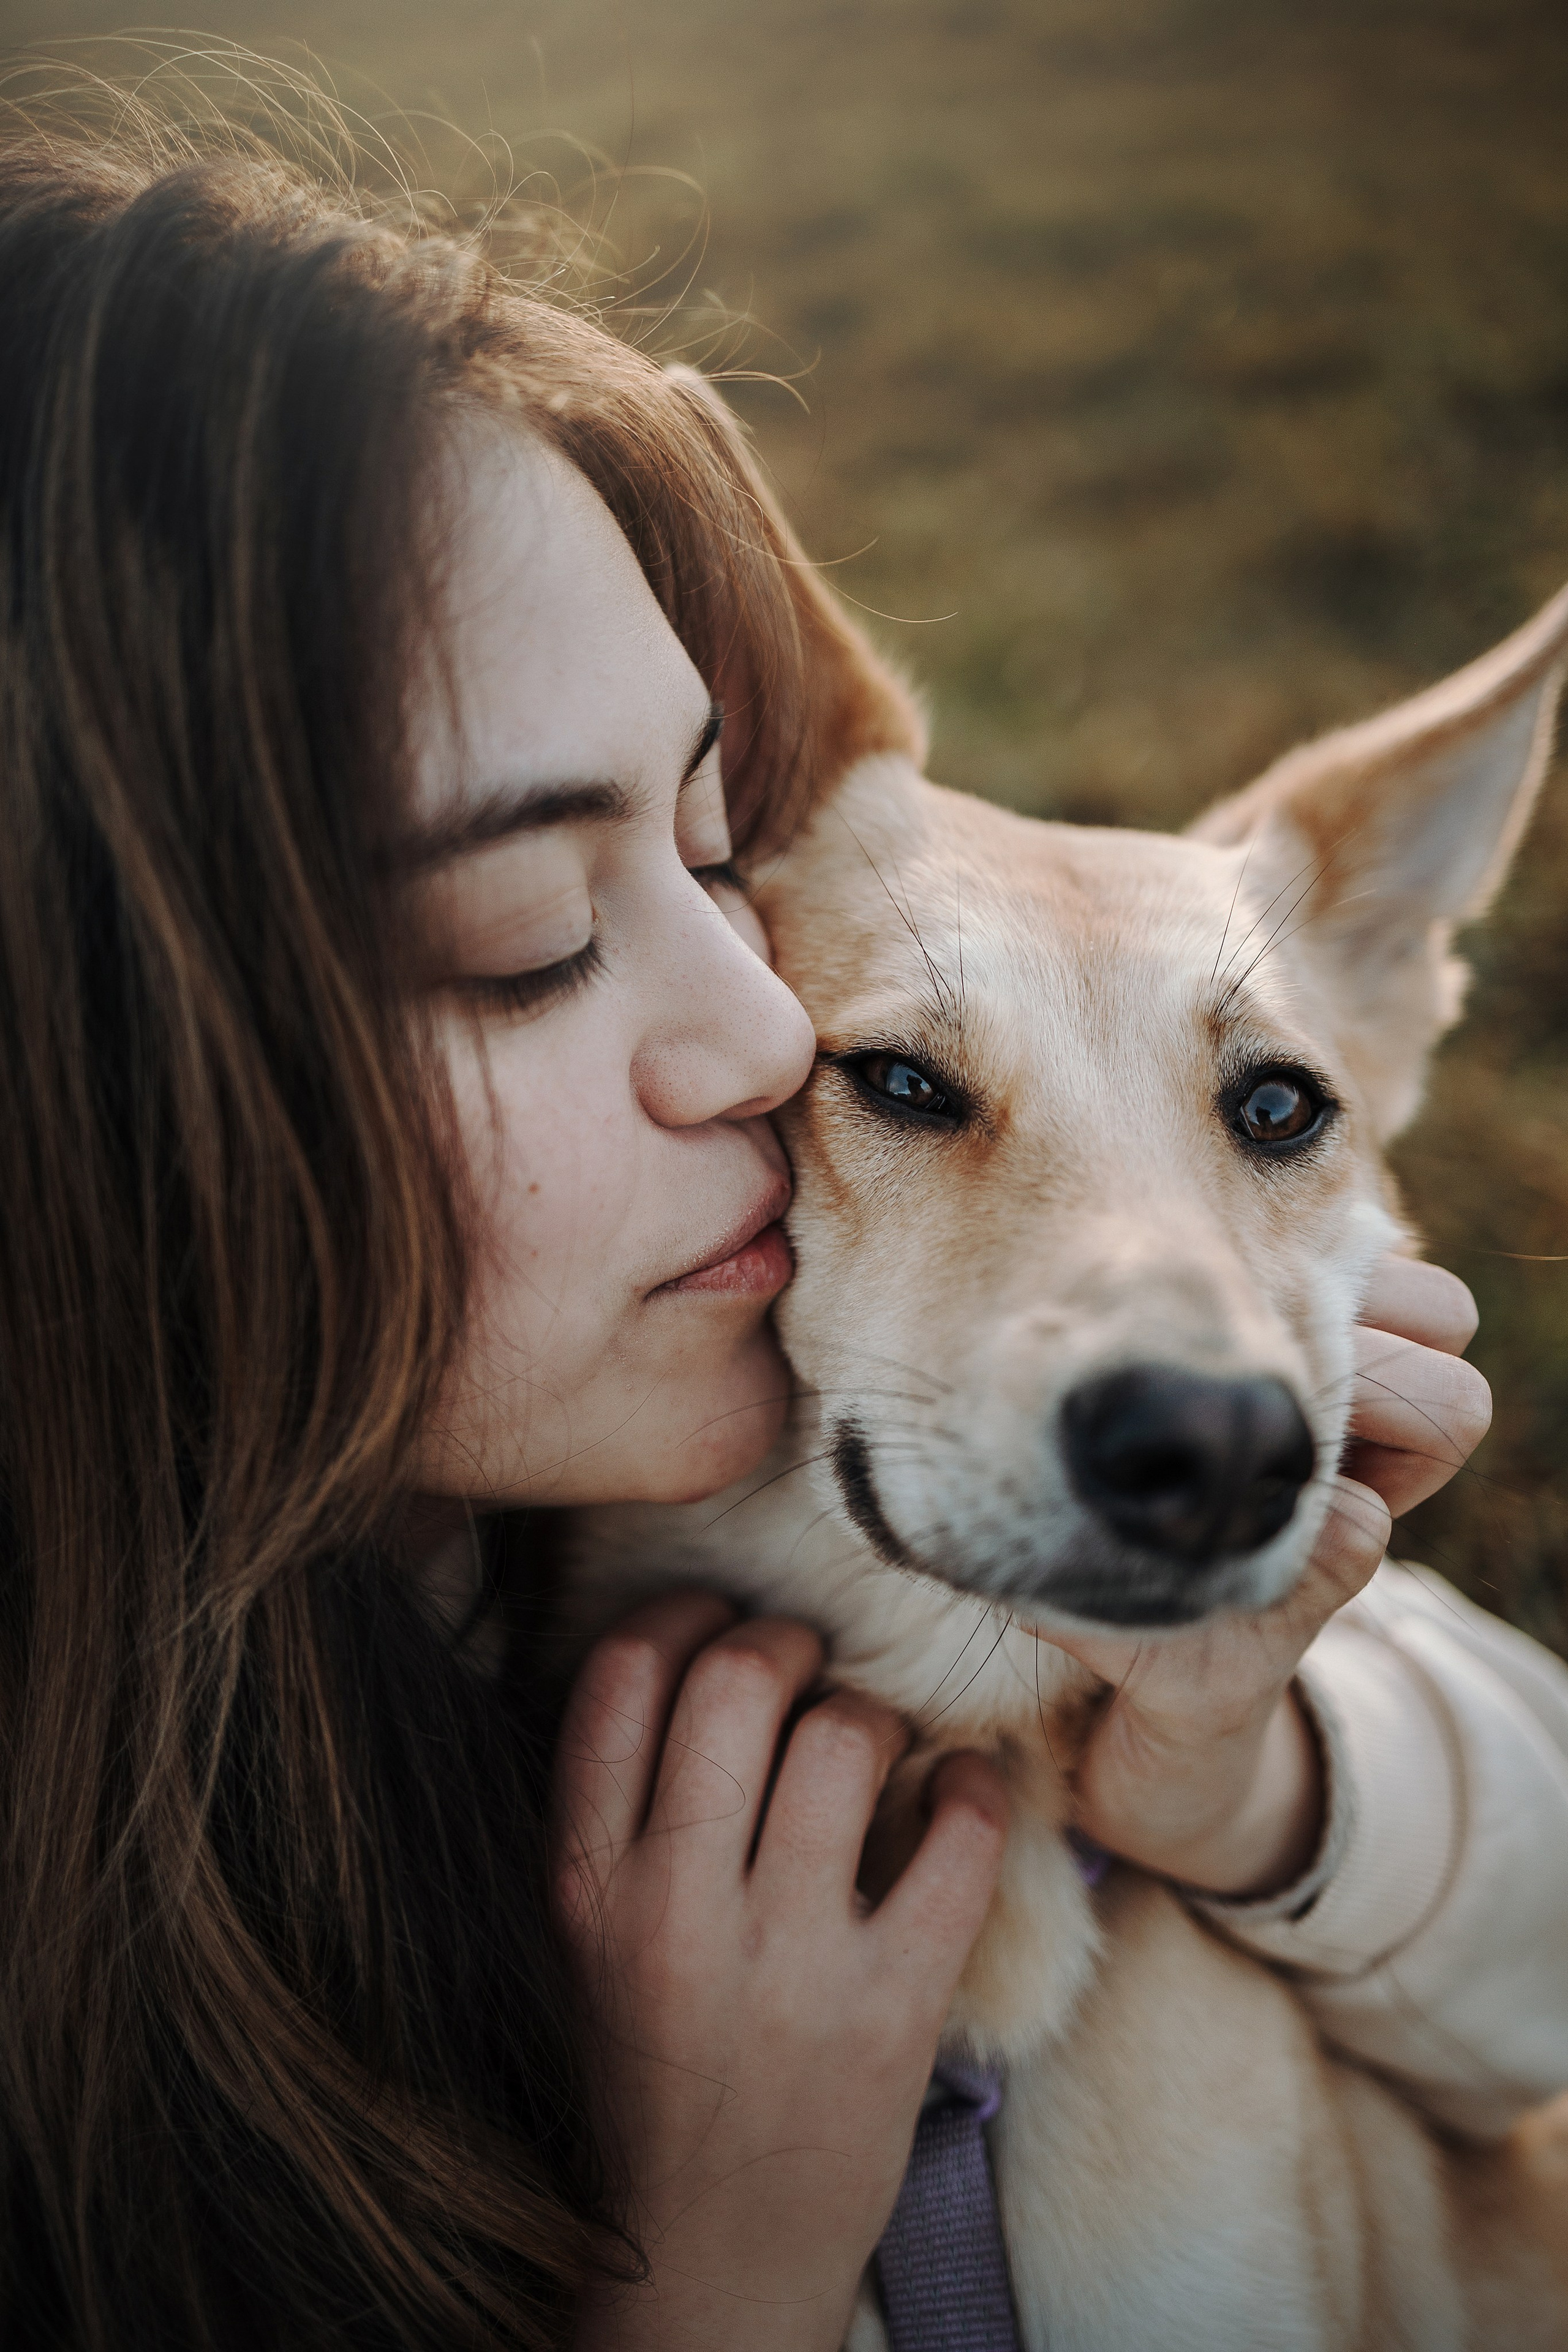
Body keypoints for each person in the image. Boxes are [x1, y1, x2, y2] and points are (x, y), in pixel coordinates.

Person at [0, 77, 1562, 2352]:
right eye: (538, 922)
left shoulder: (738, 1373)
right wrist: (711, 2278)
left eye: (715, 851)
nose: (762, 1040)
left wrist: (1250, 1772)